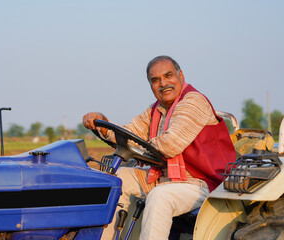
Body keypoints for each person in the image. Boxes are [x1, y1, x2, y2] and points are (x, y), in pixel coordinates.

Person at [83, 55, 236, 240]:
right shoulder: (156, 109)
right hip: (167, 177)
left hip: (202, 182)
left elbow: (169, 146)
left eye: (168, 75)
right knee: (116, 178)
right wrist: (102, 124)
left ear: (181, 75)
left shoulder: (193, 101)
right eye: (155, 80)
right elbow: (130, 132)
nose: (163, 84)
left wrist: (136, 147)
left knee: (159, 196)